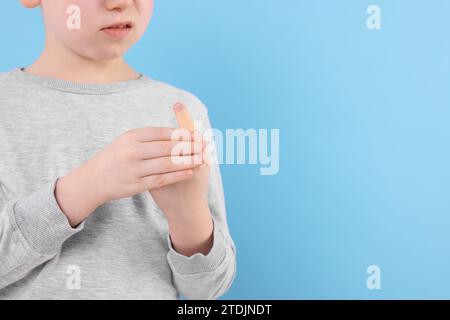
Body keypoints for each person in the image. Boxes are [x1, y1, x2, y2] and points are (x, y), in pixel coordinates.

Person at [0, 0, 236, 299]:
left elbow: (207, 290)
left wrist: (188, 215)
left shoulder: (183, 111)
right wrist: (82, 190)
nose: (120, 3)